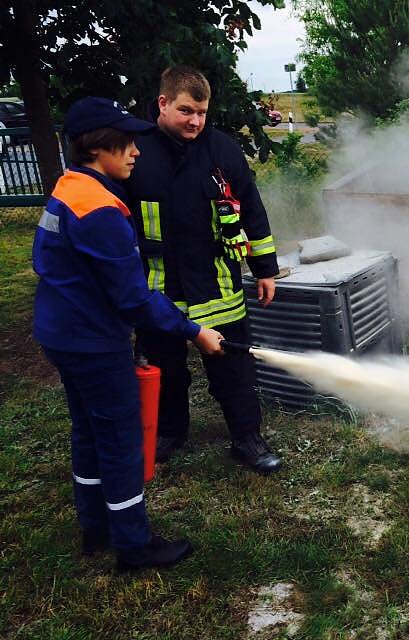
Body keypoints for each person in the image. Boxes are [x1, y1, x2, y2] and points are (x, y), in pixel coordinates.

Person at [33, 96, 225, 570]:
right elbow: (134, 298)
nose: (136, 151)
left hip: (63, 333)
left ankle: (95, 527)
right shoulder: (101, 210)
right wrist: (193, 330)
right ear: (100, 146)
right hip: (92, 341)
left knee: (89, 431)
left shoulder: (68, 188)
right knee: (119, 440)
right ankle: (134, 545)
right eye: (127, 143)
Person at [124, 66, 283, 474]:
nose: (195, 121)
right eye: (186, 110)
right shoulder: (135, 151)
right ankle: (169, 432)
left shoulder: (223, 150)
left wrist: (265, 268)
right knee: (165, 369)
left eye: (202, 112)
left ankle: (247, 438)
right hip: (161, 288)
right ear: (162, 103)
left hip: (219, 284)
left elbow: (251, 208)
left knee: (235, 369)